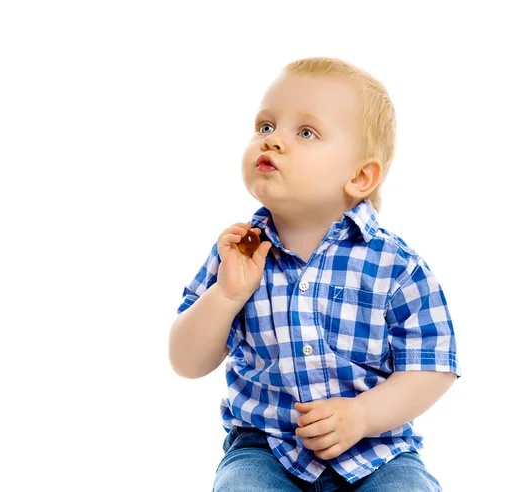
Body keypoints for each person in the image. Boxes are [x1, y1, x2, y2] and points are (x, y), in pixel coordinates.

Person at [169, 56, 461, 491]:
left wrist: (363, 415)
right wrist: (226, 297)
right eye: (266, 126)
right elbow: (186, 362)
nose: (274, 142)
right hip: (264, 449)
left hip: (377, 450)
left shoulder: (395, 265)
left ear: (360, 177)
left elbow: (432, 366)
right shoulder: (239, 253)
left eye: (305, 132)